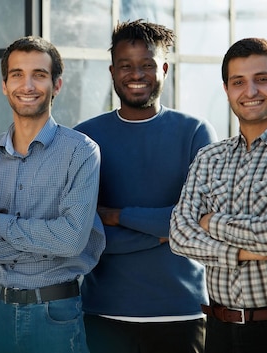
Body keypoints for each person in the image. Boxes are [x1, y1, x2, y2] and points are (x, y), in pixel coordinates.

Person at [73, 19, 217, 353]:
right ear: (112, 71)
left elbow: (198, 225)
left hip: (181, 313)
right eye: (126, 66)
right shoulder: (84, 137)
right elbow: (83, 234)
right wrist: (165, 233)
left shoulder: (194, 132)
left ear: (164, 68)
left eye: (147, 65)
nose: (136, 74)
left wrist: (116, 216)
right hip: (102, 313)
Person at [0, 36, 105, 353]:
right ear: (4, 84)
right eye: (17, 74)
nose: (27, 85)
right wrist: (48, 242)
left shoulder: (81, 152)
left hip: (55, 315)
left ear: (57, 84)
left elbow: (71, 240)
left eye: (39, 75)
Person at [170, 37, 267, 353]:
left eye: (261, 79)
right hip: (220, 332)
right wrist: (244, 253)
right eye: (238, 82)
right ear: (226, 90)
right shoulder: (210, 157)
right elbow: (179, 235)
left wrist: (210, 221)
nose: (250, 91)